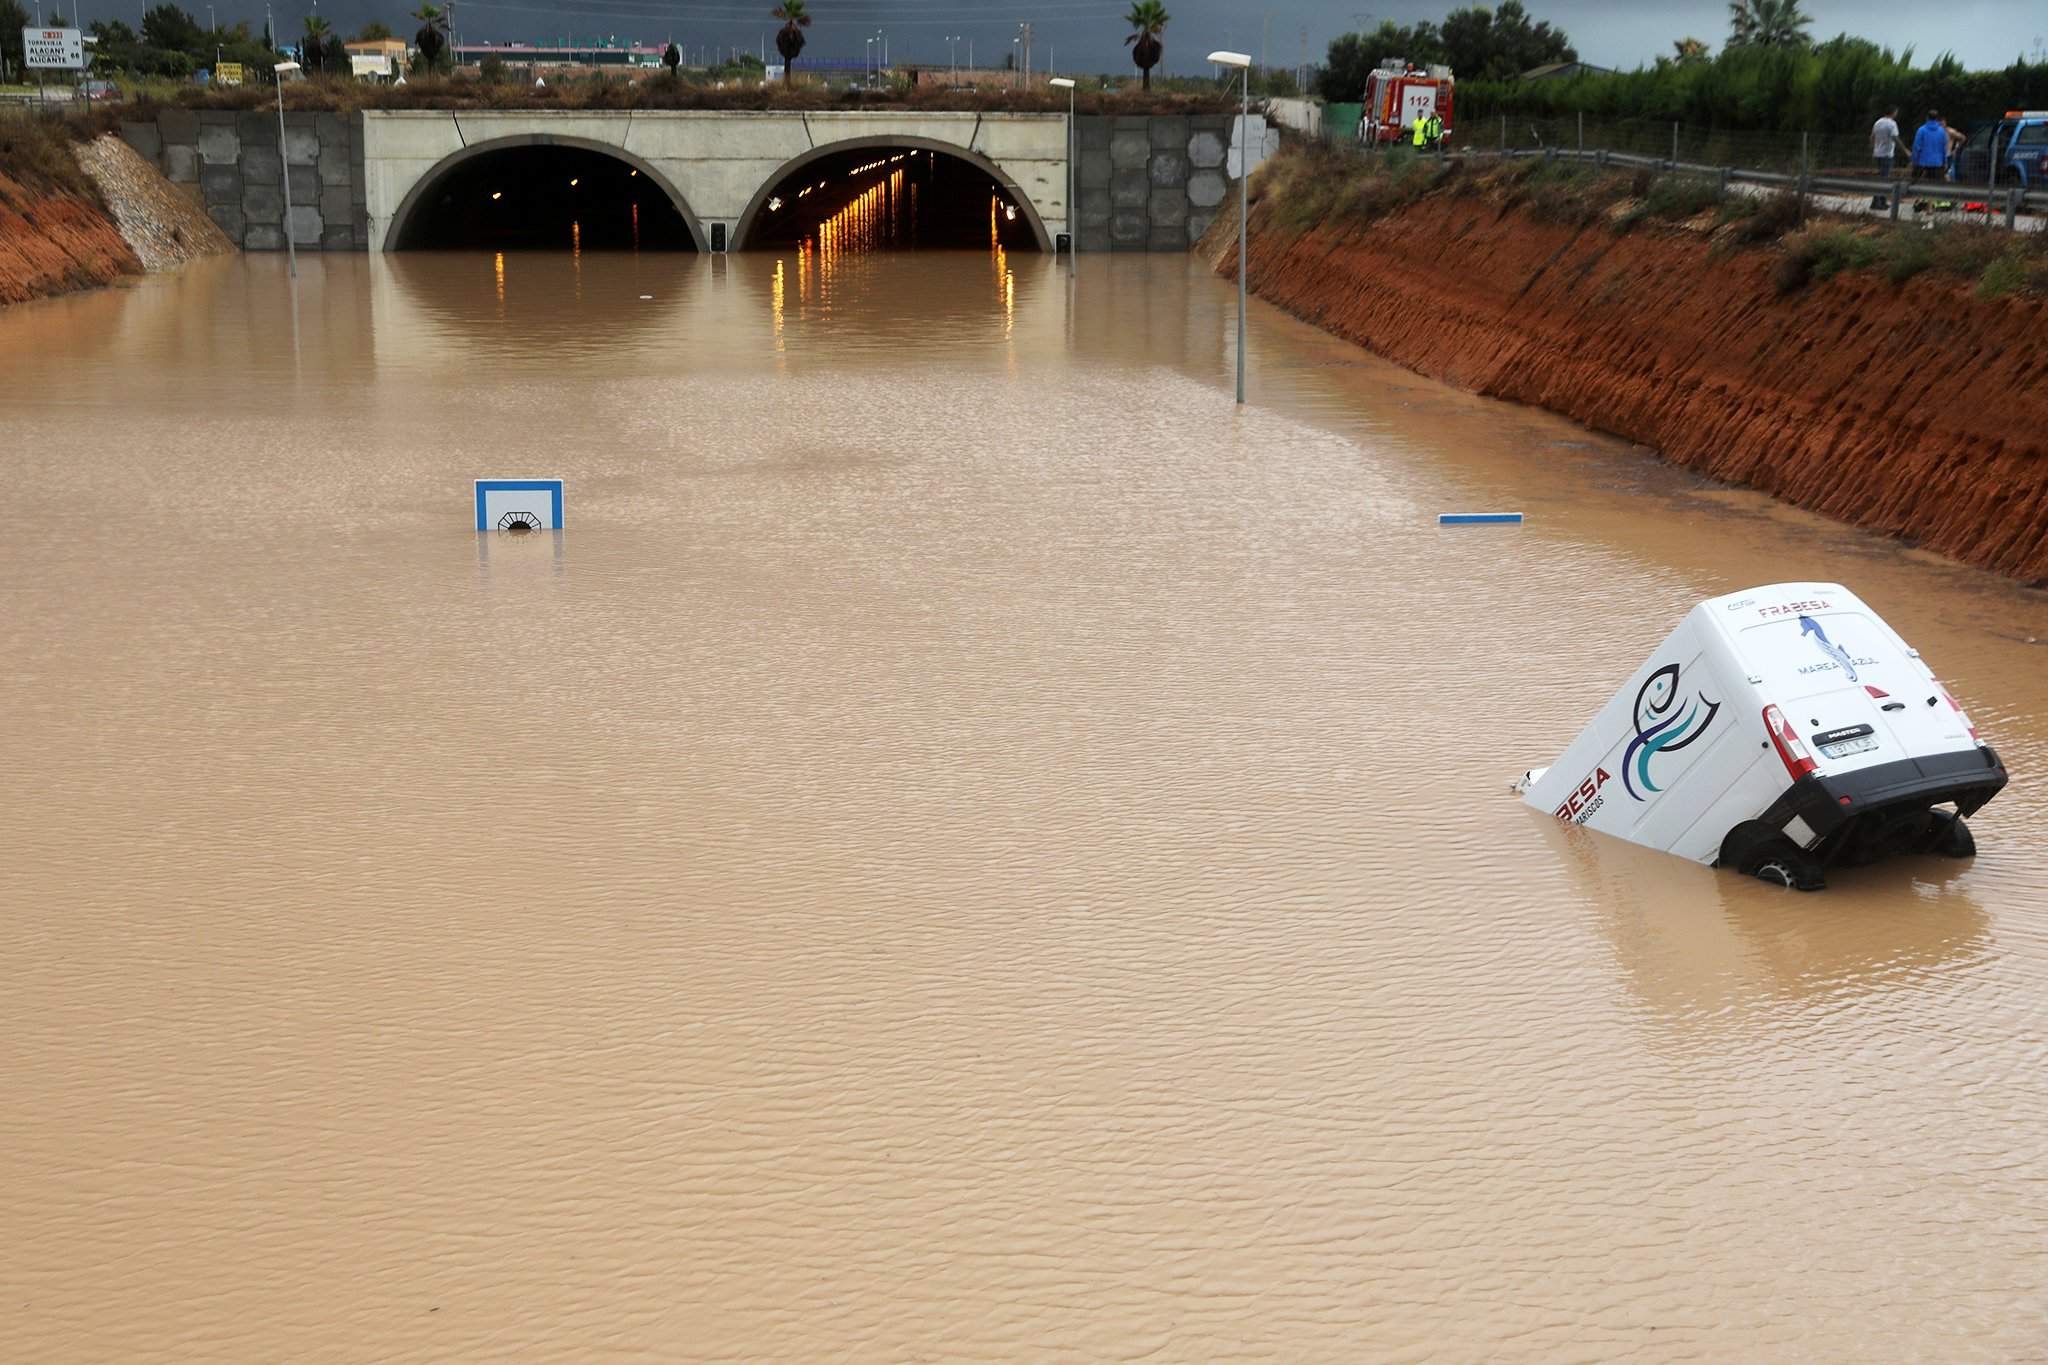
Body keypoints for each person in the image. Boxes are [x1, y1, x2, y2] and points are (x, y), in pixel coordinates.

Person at [1910, 110, 1949, 183]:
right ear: (1937, 119)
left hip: (1922, 163)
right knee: (1934, 186)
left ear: (1927, 118)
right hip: (1937, 163)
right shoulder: (1942, 131)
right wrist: (1945, 162)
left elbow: (1916, 147)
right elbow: (1944, 148)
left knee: (1914, 183)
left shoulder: (1921, 130)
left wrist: (1914, 160)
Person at [1870, 106, 1901, 181]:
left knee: (1881, 174)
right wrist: (1905, 150)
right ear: (1893, 113)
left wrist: (1873, 149)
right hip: (1887, 153)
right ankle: (1882, 190)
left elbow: (1872, 137)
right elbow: (1895, 138)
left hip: (1877, 153)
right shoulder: (1892, 124)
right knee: (1885, 176)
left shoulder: (1877, 122)